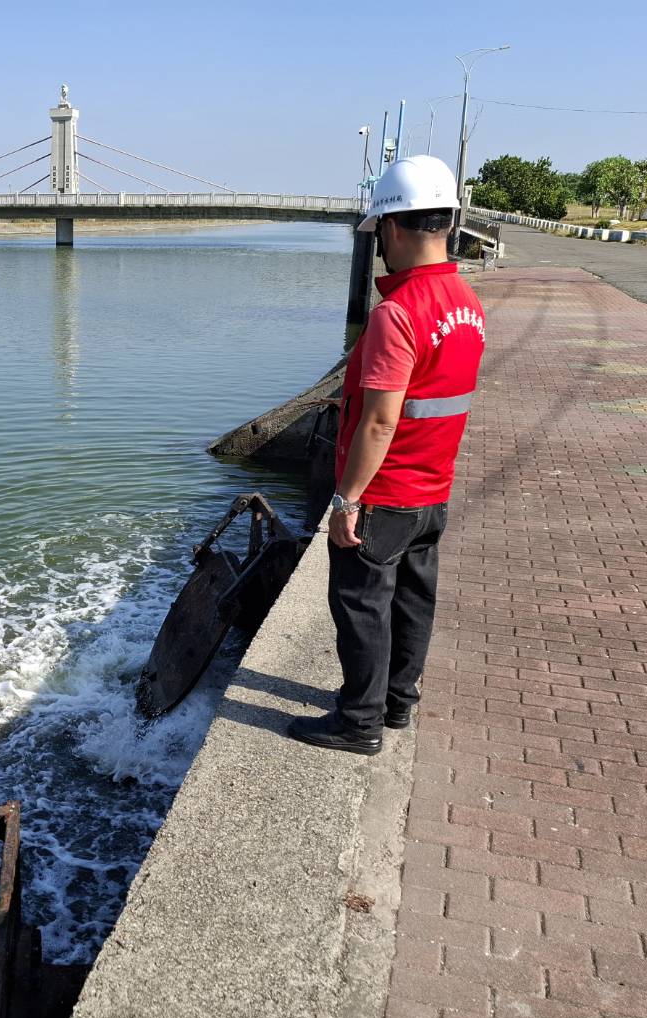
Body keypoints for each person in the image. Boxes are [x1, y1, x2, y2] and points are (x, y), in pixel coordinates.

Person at [287, 155, 485, 756]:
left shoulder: (397, 314)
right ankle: (398, 703)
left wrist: (347, 501)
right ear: (448, 221)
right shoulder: (468, 304)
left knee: (361, 605)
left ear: (393, 229)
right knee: (413, 600)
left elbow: (379, 419)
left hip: (385, 494)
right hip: (434, 491)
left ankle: (358, 721)